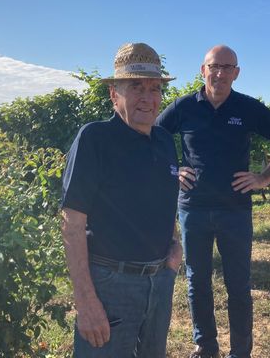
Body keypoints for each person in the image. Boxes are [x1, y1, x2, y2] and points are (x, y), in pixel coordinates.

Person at [156, 45, 270, 358]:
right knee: (198, 282)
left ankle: (240, 352)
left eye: (227, 67)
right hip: (192, 208)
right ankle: (205, 347)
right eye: (214, 66)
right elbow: (152, 139)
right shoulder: (183, 107)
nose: (219, 73)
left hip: (235, 210)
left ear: (237, 73)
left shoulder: (247, 108)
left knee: (238, 285)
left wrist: (264, 178)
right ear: (203, 70)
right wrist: (172, 169)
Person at [60, 42, 183, 358]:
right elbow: (72, 223)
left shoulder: (165, 141)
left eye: (155, 88)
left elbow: (165, 201)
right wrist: (86, 302)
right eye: (136, 87)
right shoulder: (95, 139)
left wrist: (174, 245)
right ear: (115, 93)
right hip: (111, 285)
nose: (147, 97)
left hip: (159, 281)